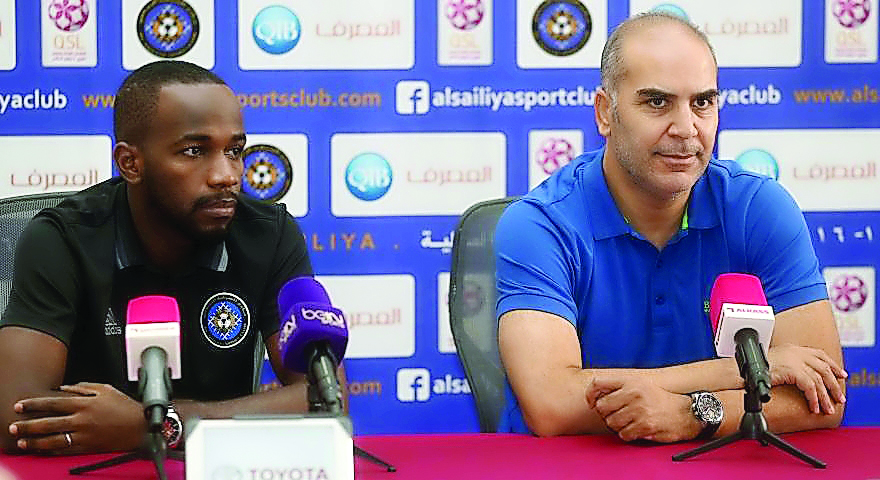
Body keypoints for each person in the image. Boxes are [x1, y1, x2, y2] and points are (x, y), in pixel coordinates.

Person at [495, 12, 847, 441]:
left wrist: (694, 413)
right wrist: (748, 371)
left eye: (702, 102)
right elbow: (552, 404)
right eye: (657, 102)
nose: (686, 129)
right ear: (605, 113)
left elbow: (824, 397)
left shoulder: (759, 207)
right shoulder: (539, 225)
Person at [0, 60, 342, 454]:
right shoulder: (61, 239)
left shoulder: (269, 235)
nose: (226, 175)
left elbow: (325, 398)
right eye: (195, 151)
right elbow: (18, 417)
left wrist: (159, 425)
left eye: (234, 150)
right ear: (131, 163)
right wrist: (177, 425)